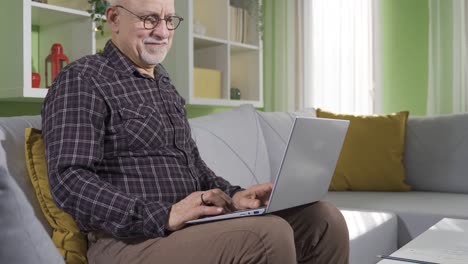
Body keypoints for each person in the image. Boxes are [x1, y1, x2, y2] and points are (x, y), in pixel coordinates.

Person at [41, 0, 350, 263]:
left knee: (324, 219)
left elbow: (195, 167)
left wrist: (234, 196)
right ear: (114, 19)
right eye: (149, 19)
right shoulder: (82, 79)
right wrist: (163, 215)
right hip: (125, 240)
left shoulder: (164, 85)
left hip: (188, 227)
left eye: (168, 20)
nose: (162, 31)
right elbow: (70, 179)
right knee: (270, 234)